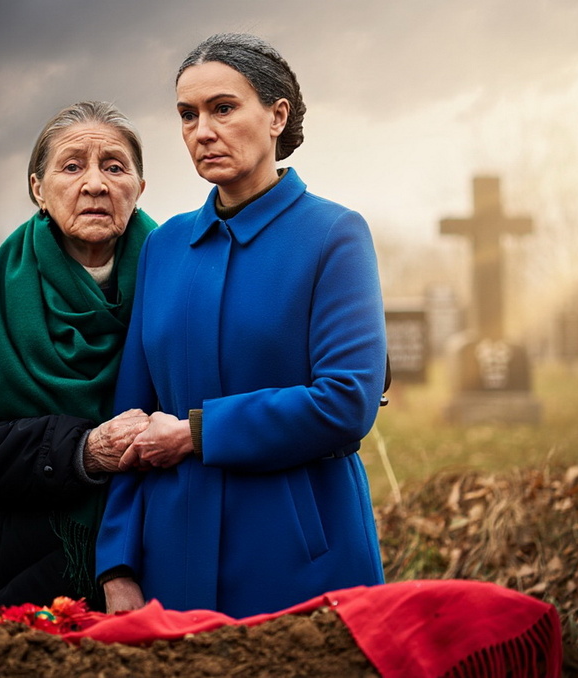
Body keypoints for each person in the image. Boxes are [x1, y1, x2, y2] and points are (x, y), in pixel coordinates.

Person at [96, 33, 388, 617]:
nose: (202, 131)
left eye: (223, 108)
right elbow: (130, 419)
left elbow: (347, 401)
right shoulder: (163, 247)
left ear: (277, 116)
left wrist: (196, 433)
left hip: (300, 554)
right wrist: (118, 563)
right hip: (171, 554)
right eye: (188, 115)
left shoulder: (334, 235)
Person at [0, 101, 164, 611]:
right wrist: (81, 450)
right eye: (72, 166)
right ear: (38, 188)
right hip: (23, 565)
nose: (95, 184)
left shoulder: (180, 283)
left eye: (114, 167)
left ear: (139, 188)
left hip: (161, 559)